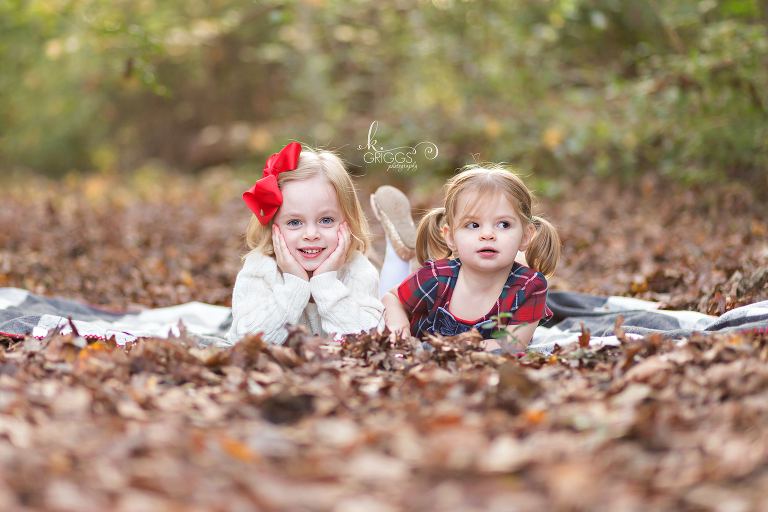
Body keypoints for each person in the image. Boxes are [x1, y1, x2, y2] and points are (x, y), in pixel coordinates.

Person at [381, 165, 561, 352]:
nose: (488, 234)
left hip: (467, 367)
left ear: (525, 236)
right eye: (473, 224)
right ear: (451, 237)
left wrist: (453, 348)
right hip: (419, 364)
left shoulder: (529, 288)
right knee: (375, 311)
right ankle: (396, 254)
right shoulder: (435, 278)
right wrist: (398, 328)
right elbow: (392, 297)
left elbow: (512, 345)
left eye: (503, 224)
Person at [224, 143, 385, 346]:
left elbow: (371, 340)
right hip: (278, 376)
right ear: (272, 226)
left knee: (394, 305)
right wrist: (294, 285)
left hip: (332, 375)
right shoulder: (261, 268)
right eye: (294, 222)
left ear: (349, 221)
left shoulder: (356, 269)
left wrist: (326, 283)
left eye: (326, 220)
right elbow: (245, 341)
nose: (311, 234)